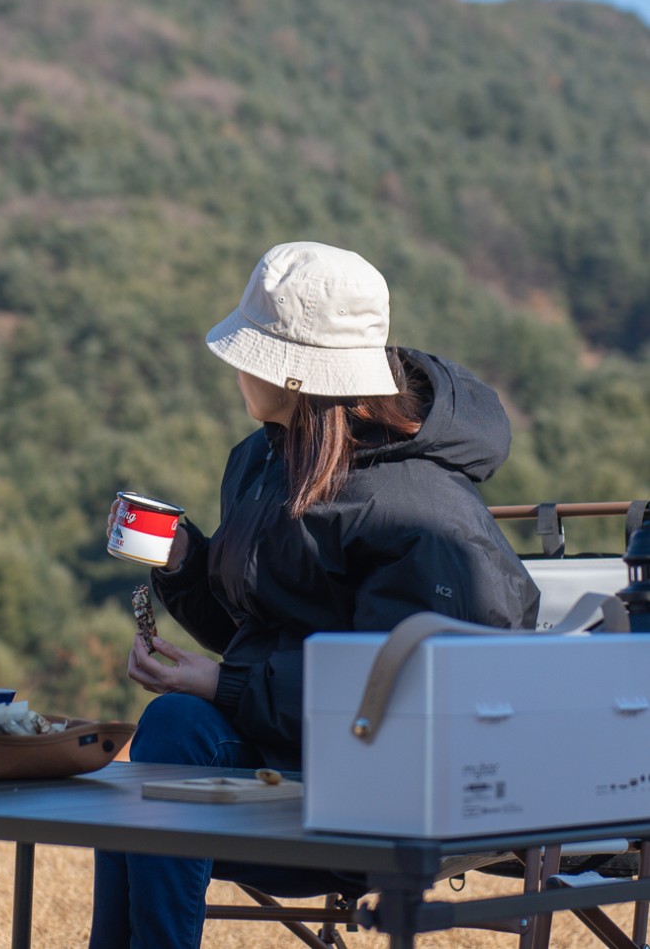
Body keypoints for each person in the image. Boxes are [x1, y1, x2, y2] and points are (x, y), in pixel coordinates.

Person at [90, 241, 540, 949]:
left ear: (294, 373)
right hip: (283, 751)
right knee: (146, 784)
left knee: (172, 737)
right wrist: (182, 561)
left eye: (252, 348)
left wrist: (223, 684)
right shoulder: (264, 458)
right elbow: (255, 624)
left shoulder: (417, 509)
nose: (236, 364)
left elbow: (399, 687)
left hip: (370, 789)